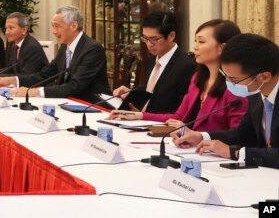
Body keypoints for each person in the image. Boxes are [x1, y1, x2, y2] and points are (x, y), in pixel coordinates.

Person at [108, 19, 246, 131]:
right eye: (195, 41)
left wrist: (195, 135)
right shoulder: (198, 79)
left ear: (222, 48)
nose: (195, 47)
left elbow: (238, 135)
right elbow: (178, 117)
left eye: (201, 41)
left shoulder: (236, 87)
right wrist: (138, 115)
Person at [173, 33, 279, 169]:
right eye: (226, 76)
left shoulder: (255, 89)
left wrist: (234, 152)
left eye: (234, 80)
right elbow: (244, 134)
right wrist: (201, 137)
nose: (228, 84)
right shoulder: (256, 93)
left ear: (264, 77)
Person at [0, 5, 110, 103]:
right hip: (67, 103)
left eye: (57, 26)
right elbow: (44, 75)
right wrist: (13, 80)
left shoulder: (92, 49)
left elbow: (75, 86)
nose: (53, 31)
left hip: (93, 107)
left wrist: (35, 91)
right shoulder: (64, 47)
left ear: (73, 26)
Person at [111, 11, 195, 114]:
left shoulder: (186, 66)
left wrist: (144, 117)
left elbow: (182, 111)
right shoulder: (151, 60)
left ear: (171, 36)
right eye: (145, 38)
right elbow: (150, 94)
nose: (149, 44)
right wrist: (131, 93)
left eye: (154, 39)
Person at [0, 12, 48, 80]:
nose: (6, 32)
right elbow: (9, 69)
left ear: (24, 30)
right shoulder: (14, 45)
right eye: (6, 28)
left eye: (11, 28)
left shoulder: (32, 47)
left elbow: (26, 76)